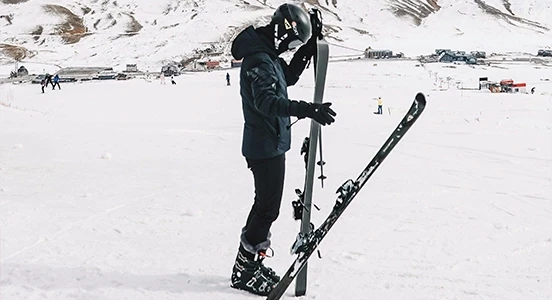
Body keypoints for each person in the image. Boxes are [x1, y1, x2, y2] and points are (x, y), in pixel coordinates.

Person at [229, 3, 336, 296]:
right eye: (293, 41)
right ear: (282, 32)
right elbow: (266, 102)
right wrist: (307, 109)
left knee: (265, 208)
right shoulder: (259, 60)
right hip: (263, 146)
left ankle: (248, 262)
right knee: (266, 209)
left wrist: (309, 46)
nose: (292, 46)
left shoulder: (268, 54)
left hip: (270, 142)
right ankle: (245, 271)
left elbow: (286, 78)